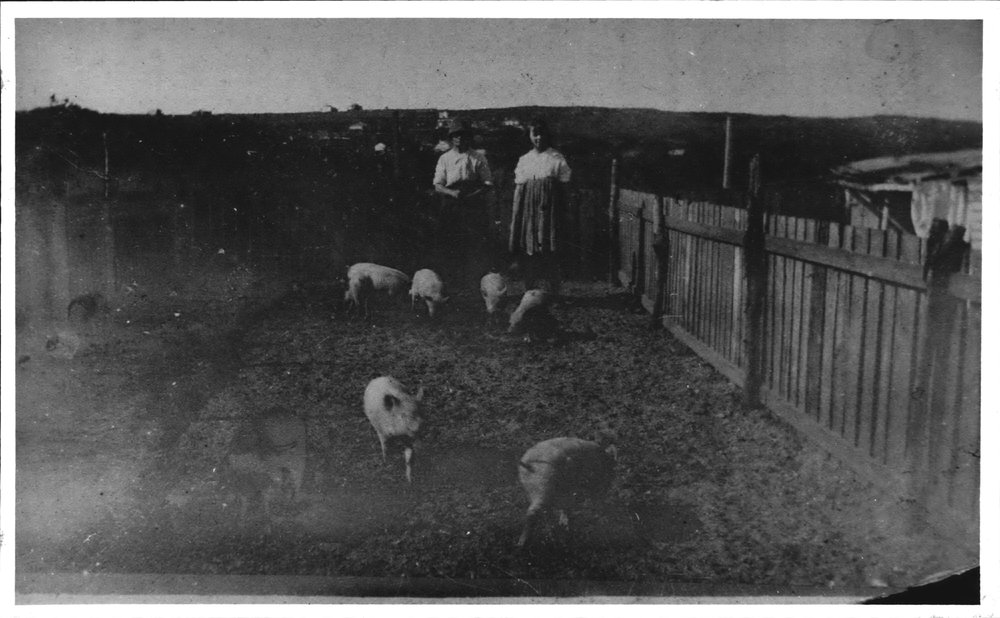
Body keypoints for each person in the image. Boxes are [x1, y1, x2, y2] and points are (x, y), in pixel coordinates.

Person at [508, 118, 571, 296]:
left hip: (550, 211)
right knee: (529, 251)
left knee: (551, 250)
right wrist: (518, 215)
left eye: (542, 133)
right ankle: (529, 290)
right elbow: (519, 190)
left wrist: (565, 211)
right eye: (535, 134)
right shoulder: (524, 160)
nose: (539, 138)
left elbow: (565, 186)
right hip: (530, 212)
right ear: (530, 136)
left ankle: (555, 291)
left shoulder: (556, 158)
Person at [432, 117, 494, 285]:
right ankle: (453, 281)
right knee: (451, 243)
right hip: (452, 206)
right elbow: (438, 185)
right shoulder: (444, 159)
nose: (459, 138)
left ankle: (474, 282)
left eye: (463, 135)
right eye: (455, 135)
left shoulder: (478, 157)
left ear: (469, 137)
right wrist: (451, 193)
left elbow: (488, 184)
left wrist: (473, 195)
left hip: (473, 205)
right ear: (451, 138)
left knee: (474, 244)